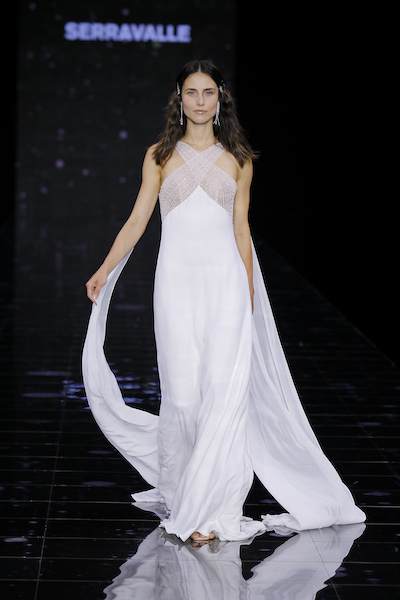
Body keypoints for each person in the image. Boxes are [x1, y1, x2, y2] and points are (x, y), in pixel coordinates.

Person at [83, 59, 365, 543]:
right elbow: (138, 220)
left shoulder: (239, 157)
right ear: (179, 98)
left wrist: (249, 294)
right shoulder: (158, 155)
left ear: (220, 97)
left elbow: (241, 230)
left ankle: (211, 510)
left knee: (222, 395)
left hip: (227, 287)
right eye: (191, 92)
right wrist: (104, 268)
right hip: (175, 287)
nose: (200, 101)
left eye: (208, 92)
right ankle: (185, 493)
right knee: (182, 396)